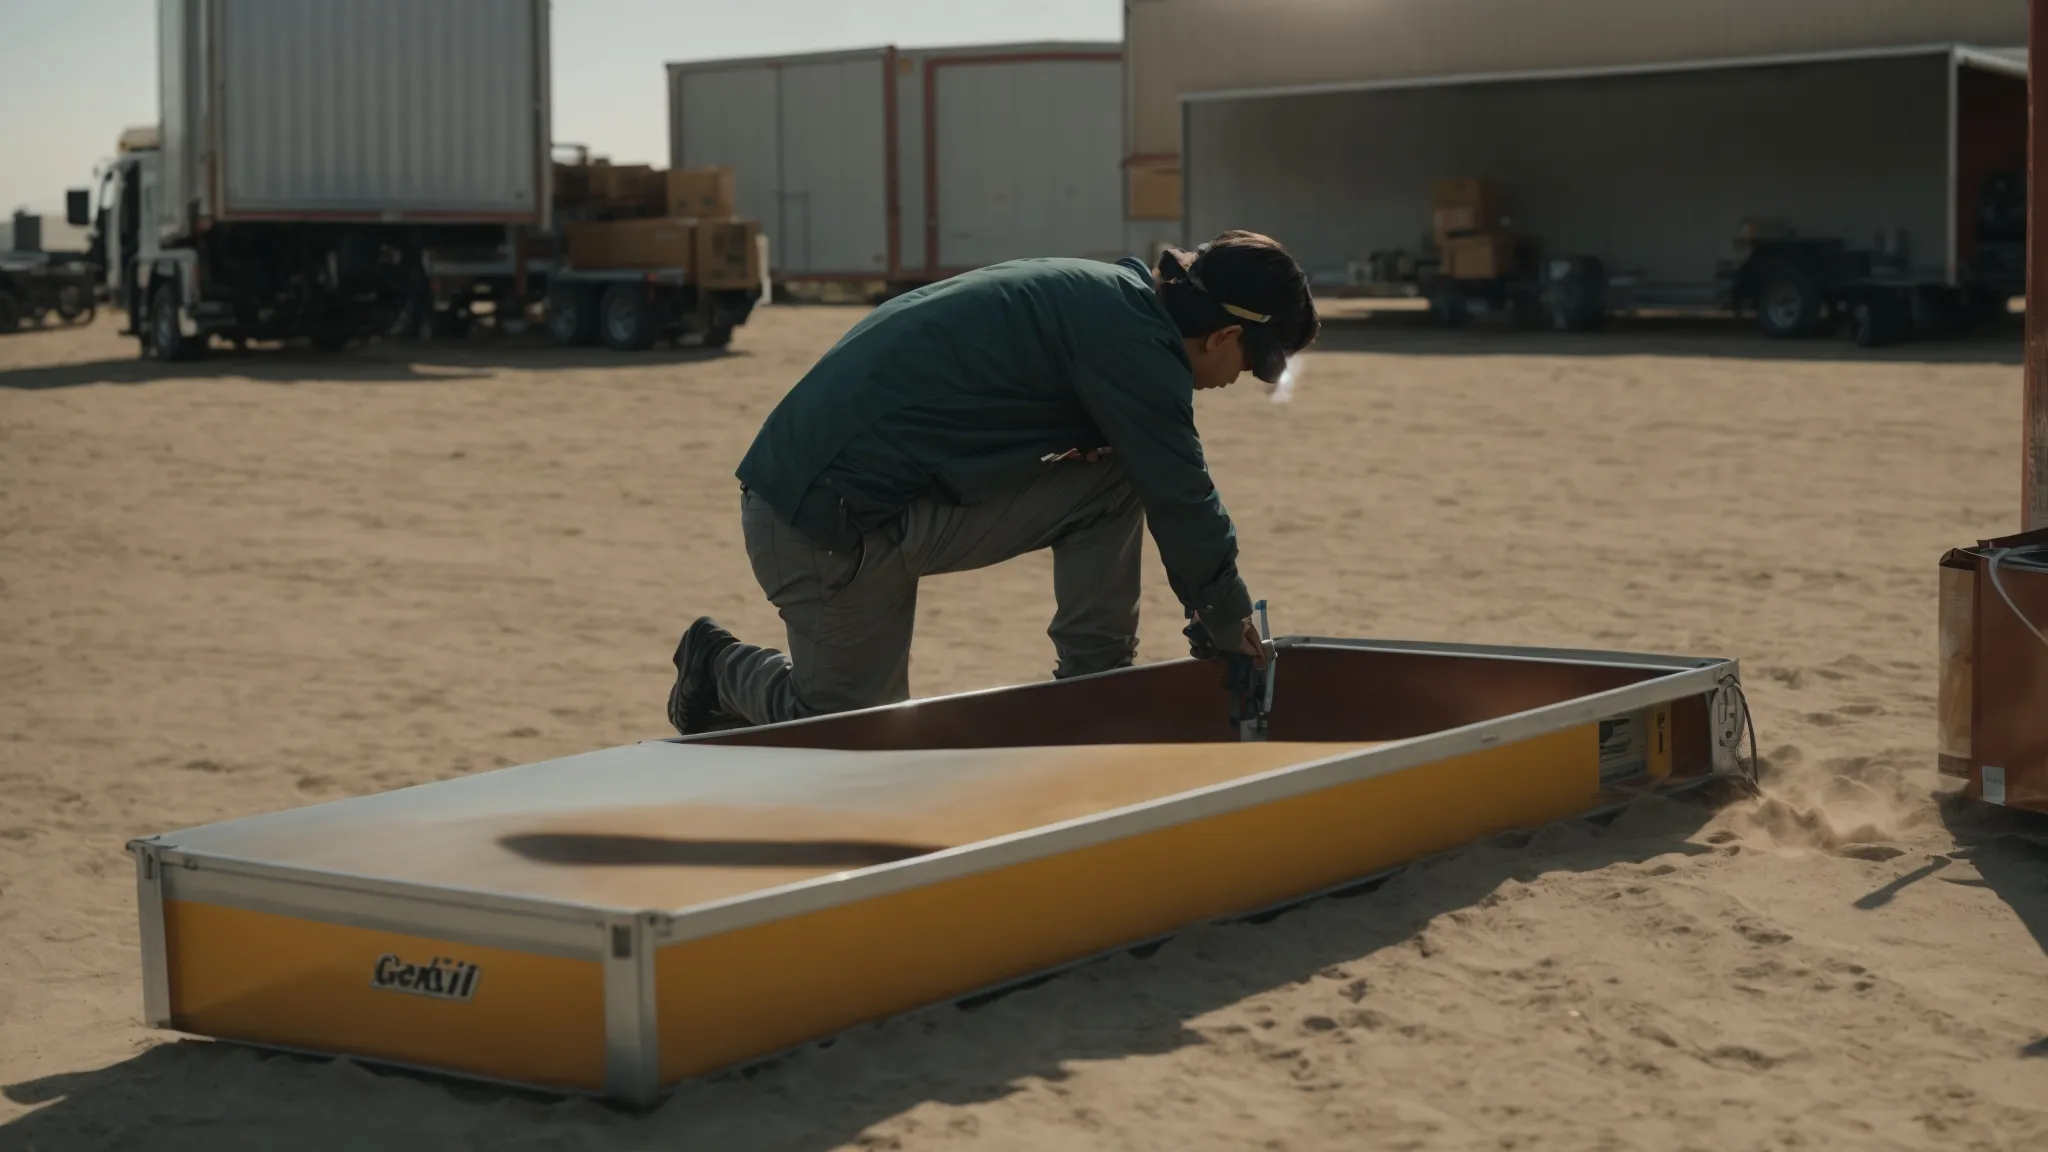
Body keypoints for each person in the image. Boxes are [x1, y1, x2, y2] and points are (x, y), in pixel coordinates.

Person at [667, 230, 1320, 734]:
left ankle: (1094, 691)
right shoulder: (1136, 346)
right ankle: (719, 668)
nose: (1237, 380)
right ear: (1225, 334)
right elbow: (1184, 495)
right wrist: (1229, 621)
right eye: (1248, 364)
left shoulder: (1116, 305)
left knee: (1114, 475)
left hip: (880, 504)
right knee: (852, 738)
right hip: (819, 524)